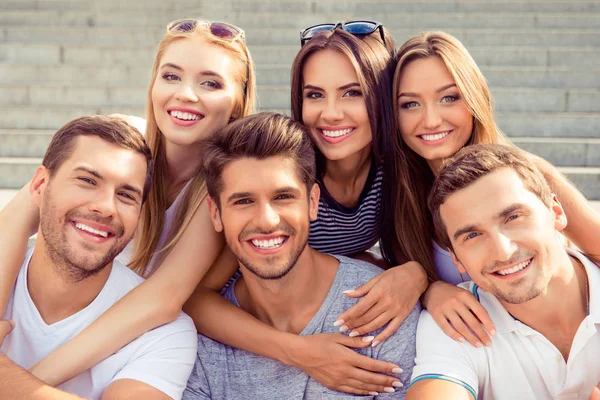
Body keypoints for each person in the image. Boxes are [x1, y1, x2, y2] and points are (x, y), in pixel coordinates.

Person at [0, 19, 256, 385]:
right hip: (61, 306)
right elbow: (14, 219)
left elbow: (163, 300)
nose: (186, 93)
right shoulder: (120, 139)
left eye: (210, 83)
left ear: (237, 103)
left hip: (135, 347)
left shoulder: (221, 189)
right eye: (171, 76)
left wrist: (23, 384)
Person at [184, 22, 428, 396]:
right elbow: (199, 297)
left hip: (335, 288)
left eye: (352, 93)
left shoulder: (399, 168)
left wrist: (417, 276)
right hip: (280, 298)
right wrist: (299, 353)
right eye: (315, 95)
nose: (330, 113)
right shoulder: (283, 170)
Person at [379, 31, 600, 348]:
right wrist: (430, 288)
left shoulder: (527, 173)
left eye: (449, 98)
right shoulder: (401, 198)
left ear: (474, 99)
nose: (430, 120)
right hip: (479, 358)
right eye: (410, 104)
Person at [0, 115, 197, 399]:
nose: (106, 207)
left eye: (127, 196)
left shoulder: (164, 335)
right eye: (87, 180)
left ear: (139, 214)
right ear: (40, 185)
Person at [406, 143, 600, 400]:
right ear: (456, 259)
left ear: (556, 212)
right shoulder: (456, 324)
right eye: (473, 235)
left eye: (514, 217)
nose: (502, 252)